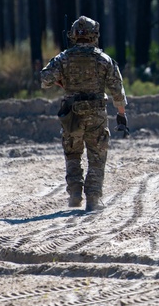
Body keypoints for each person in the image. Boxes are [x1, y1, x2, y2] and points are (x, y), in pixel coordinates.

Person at [41, 16, 128, 211]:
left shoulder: (63, 58)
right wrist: (121, 114)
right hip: (96, 114)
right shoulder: (104, 60)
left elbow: (44, 79)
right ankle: (93, 199)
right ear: (94, 34)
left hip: (71, 115)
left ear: (73, 35)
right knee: (97, 156)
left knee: (73, 154)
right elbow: (117, 90)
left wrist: (61, 81)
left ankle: (74, 194)